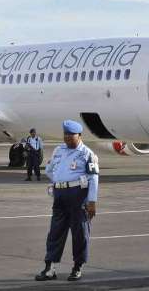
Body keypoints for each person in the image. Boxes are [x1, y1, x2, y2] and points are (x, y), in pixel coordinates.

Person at [36, 120, 99, 282]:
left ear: (79, 136)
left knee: (80, 233)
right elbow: (49, 170)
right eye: (65, 134)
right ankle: (50, 268)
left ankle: (77, 266)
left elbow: (93, 179)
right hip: (60, 195)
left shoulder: (87, 154)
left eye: (71, 135)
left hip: (78, 195)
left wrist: (92, 201)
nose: (67, 138)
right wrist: (59, 182)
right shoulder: (59, 150)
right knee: (55, 232)